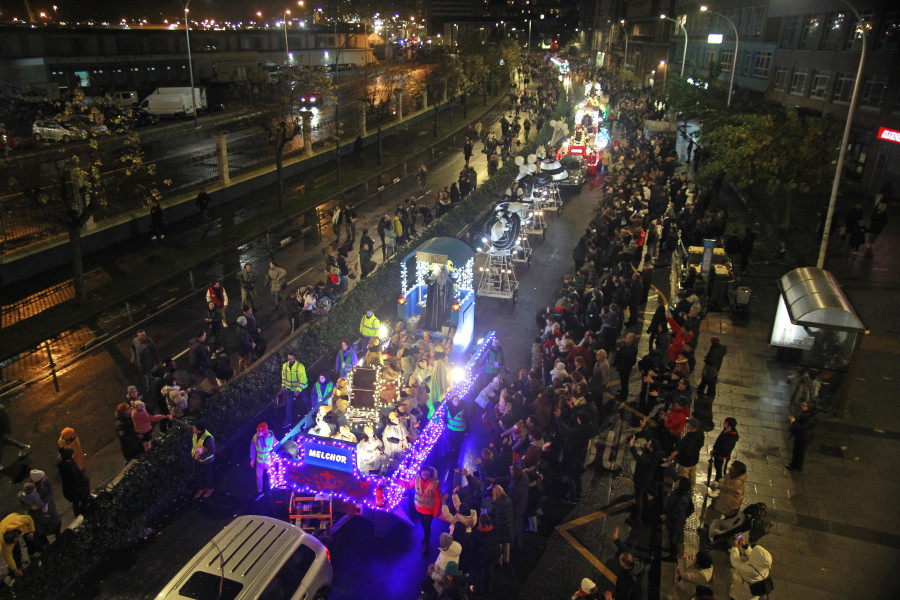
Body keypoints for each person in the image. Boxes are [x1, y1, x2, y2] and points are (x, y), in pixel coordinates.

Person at [703, 460, 747, 526]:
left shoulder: (737, 482)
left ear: (737, 472)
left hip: (731, 505)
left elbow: (727, 488)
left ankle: (711, 527)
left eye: (732, 469)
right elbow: (724, 479)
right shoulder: (732, 475)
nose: (729, 470)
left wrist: (718, 485)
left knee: (724, 518)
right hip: (726, 500)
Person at [409, 466, 441, 555]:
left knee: (427, 527)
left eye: (427, 474)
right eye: (423, 474)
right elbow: (409, 484)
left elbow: (438, 499)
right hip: (419, 508)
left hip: (429, 510)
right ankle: (426, 538)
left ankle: (426, 543)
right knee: (424, 525)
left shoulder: (435, 483)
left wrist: (436, 512)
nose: (425, 476)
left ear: (430, 473)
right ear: (420, 474)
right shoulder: (417, 478)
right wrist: (395, 481)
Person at [661, 476, 694, 560]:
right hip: (673, 520)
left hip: (676, 522)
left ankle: (673, 556)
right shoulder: (677, 492)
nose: (675, 483)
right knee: (671, 536)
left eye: (677, 482)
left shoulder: (682, 499)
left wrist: (667, 516)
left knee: (673, 538)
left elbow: (677, 513)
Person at [612, 526, 648, 600]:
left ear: (624, 564)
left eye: (620, 560)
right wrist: (616, 539)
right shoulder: (636, 562)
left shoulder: (628, 579)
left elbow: (623, 593)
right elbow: (625, 549)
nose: (619, 561)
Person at [671, 418, 704, 490]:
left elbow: (686, 453)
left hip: (685, 463)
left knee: (683, 476)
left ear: (692, 426)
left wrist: (677, 455)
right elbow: (701, 444)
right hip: (694, 460)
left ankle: (681, 489)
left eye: (688, 424)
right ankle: (692, 488)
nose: (686, 424)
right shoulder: (700, 433)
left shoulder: (690, 439)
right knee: (692, 475)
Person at [0, 513, 37, 578]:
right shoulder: (4, 543)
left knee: (30, 537)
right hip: (5, 529)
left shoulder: (20, 521)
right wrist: (15, 569)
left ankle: (32, 552)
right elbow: (8, 557)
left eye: (16, 540)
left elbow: (29, 518)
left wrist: (32, 531)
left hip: (13, 519)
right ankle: (19, 567)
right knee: (16, 552)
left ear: (16, 535)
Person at [57, 446, 92, 516]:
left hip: (71, 491)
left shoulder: (65, 465)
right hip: (75, 490)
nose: (74, 455)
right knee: (79, 502)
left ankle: (78, 514)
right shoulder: (70, 466)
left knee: (76, 502)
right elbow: (76, 479)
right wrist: (85, 481)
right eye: (72, 454)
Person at [250, 422, 279, 500]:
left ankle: (269, 490)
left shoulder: (272, 438)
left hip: (268, 462)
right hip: (259, 461)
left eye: (259, 431)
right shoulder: (255, 437)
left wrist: (275, 459)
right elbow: (252, 448)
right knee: (259, 476)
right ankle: (260, 492)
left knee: (269, 476)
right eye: (257, 430)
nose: (257, 432)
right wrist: (252, 459)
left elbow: (277, 447)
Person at [787, 400, 817, 472]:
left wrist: (793, 421)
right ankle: (795, 465)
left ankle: (796, 466)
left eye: (804, 406)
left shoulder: (810, 418)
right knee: (796, 451)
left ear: (808, 408)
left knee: (799, 453)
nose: (801, 407)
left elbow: (802, 428)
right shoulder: (806, 414)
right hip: (801, 436)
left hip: (804, 438)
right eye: (802, 405)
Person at [490, 484, 515, 568]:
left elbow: (494, 516)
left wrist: (493, 501)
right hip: (509, 527)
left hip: (500, 529)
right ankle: (507, 559)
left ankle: (499, 561)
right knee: (507, 543)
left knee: (499, 545)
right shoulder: (509, 500)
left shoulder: (496, 505)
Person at [280, 353, 308, 426]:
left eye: (291, 359)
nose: (290, 360)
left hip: (300, 388)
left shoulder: (300, 367)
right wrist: (283, 386)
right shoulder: (285, 366)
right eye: (289, 359)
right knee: (288, 405)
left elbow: (303, 379)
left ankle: (312, 411)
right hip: (289, 389)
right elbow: (283, 377)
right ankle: (288, 421)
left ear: (294, 358)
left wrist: (298, 389)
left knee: (305, 400)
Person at [0, 403, 30, 469]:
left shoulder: (0, 410)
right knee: (6, 441)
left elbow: (6, 421)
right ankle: (23, 447)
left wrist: (7, 432)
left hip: (1, 432)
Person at [130, 329, 161, 394]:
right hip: (141, 364)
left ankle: (149, 388)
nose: (144, 336)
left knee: (148, 376)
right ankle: (152, 380)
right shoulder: (135, 341)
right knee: (146, 375)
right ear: (138, 336)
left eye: (145, 334)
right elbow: (132, 349)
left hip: (149, 364)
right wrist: (133, 357)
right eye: (142, 335)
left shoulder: (149, 341)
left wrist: (158, 361)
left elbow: (155, 350)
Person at [710, 417, 739, 482]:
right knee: (717, 468)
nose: (723, 423)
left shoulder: (731, 437)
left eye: (725, 422)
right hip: (718, 453)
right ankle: (717, 479)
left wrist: (715, 452)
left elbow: (724, 448)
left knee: (720, 469)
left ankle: (719, 481)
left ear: (729, 425)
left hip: (722, 456)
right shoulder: (725, 430)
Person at [613, 333, 638, 400]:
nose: (625, 338)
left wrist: (625, 363)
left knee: (625, 382)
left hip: (625, 368)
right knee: (622, 381)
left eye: (627, 337)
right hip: (622, 367)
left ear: (631, 340)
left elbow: (632, 361)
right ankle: (622, 391)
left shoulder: (633, 349)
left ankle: (624, 396)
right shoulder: (625, 345)